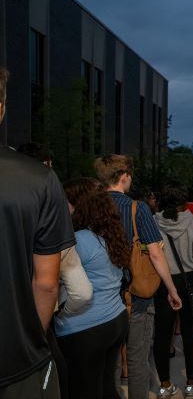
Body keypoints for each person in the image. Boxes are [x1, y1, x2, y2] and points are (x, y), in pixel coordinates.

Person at [0, 68, 74, 399]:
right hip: (17, 360)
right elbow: (46, 282)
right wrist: (32, 339)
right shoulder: (39, 180)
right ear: (1, 109)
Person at [94, 154, 181, 399]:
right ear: (123, 176)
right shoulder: (137, 209)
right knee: (137, 359)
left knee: (109, 362)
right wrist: (171, 288)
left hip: (100, 296)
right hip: (136, 295)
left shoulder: (91, 207)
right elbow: (155, 253)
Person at [56, 178, 130, 399]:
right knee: (106, 387)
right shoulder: (109, 235)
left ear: (78, 206)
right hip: (115, 319)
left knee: (85, 391)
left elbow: (80, 292)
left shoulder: (79, 240)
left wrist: (63, 312)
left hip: (86, 328)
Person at [153, 184, 193, 398]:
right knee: (190, 334)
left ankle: (165, 384)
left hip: (163, 282)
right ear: (184, 201)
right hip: (191, 281)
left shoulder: (153, 223)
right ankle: (190, 384)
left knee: (162, 335)